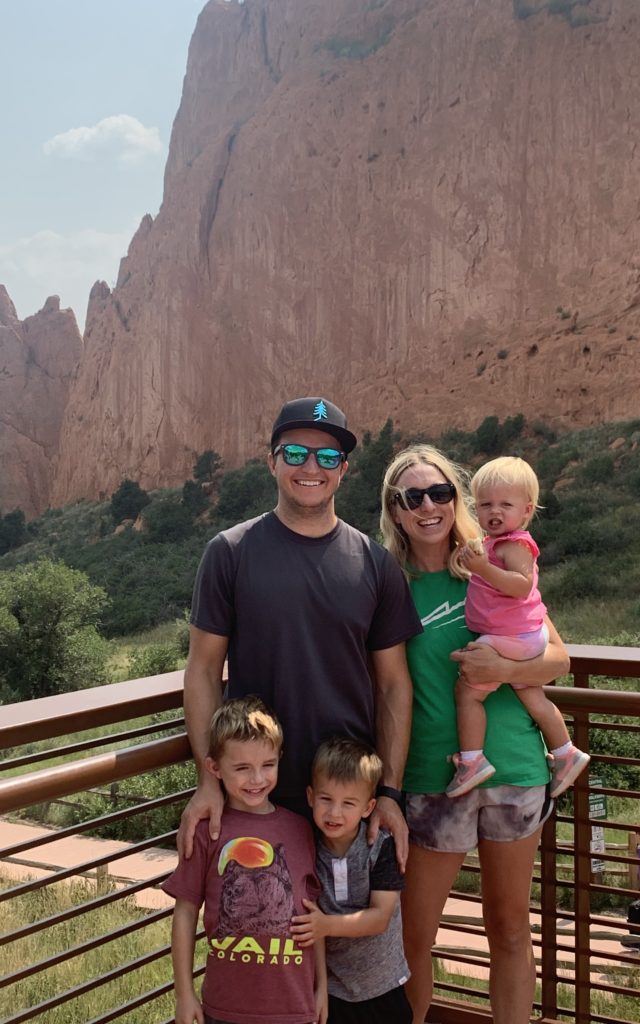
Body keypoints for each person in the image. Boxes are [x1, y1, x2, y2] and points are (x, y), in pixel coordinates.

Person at [178, 397, 422, 869]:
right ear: (272, 462)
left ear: (343, 470)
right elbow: (203, 671)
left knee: (355, 941)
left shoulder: (376, 564)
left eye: (327, 457)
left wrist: (388, 792)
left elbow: (393, 684)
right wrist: (209, 782)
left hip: (346, 804)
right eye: (295, 454)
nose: (311, 467)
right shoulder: (229, 552)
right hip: (257, 797)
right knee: (260, 937)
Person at [379, 444, 571, 1024]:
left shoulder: (497, 562)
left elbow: (557, 658)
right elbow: (383, 687)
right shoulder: (388, 584)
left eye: (441, 493)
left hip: (514, 767)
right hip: (433, 776)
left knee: (511, 929)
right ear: (395, 509)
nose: (430, 506)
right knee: (415, 937)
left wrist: (507, 672)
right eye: (414, 497)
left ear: (456, 499)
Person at [163, 697, 327, 1024]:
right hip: (225, 1008)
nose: (257, 779)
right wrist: (184, 994)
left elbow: (313, 917)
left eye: (267, 765)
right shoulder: (206, 832)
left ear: (280, 758)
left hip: (294, 1007)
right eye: (241, 768)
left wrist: (321, 986)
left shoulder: (300, 829)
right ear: (214, 768)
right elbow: (184, 914)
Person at [448, 456, 590, 798]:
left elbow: (521, 585)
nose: (494, 512)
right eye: (485, 504)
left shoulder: (515, 544)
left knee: (467, 691)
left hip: (511, 638)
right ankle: (565, 752)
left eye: (505, 505)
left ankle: (472, 760)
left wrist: (482, 569)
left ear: (526, 511)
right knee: (530, 693)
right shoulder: (494, 544)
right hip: (523, 635)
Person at [291, 737, 412, 1024]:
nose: (335, 812)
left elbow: (381, 917)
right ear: (310, 796)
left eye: (348, 803)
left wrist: (325, 925)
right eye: (326, 799)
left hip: (383, 987)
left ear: (368, 807)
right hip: (335, 992)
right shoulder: (306, 850)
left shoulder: (381, 848)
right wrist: (320, 986)